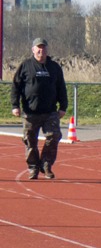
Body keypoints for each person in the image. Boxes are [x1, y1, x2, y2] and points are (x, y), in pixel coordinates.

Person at [10, 37, 68, 180]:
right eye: (38, 48)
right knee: (30, 140)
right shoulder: (25, 66)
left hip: (50, 111)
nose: (41, 50)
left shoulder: (54, 67)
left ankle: (46, 164)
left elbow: (61, 87)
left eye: (43, 48)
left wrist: (63, 107)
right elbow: (16, 87)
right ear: (33, 50)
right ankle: (33, 167)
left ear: (47, 50)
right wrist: (15, 105)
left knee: (54, 136)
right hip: (30, 112)